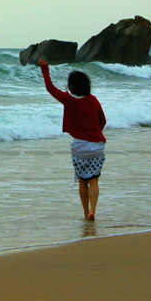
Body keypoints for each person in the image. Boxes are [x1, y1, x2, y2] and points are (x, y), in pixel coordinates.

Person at [37, 58, 106, 221]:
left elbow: (50, 88)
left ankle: (84, 212)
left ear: (71, 87)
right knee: (94, 180)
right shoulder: (93, 100)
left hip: (79, 147)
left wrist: (45, 69)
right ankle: (93, 211)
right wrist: (94, 133)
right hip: (96, 145)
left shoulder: (68, 100)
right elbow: (102, 121)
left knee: (83, 181)